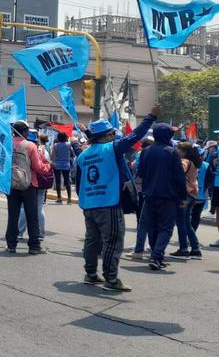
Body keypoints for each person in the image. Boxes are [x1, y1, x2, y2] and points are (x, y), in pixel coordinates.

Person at [77, 105, 157, 292]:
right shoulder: (111, 148)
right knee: (113, 240)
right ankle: (111, 279)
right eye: (112, 133)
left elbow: (79, 180)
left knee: (92, 240)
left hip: (89, 203)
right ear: (106, 135)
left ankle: (90, 274)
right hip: (108, 202)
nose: (115, 136)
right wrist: (151, 116)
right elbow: (135, 136)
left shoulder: (82, 155)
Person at [137, 123, 187, 271]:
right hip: (168, 196)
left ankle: (155, 255)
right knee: (165, 228)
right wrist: (183, 196)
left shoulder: (145, 151)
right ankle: (157, 256)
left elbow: (140, 172)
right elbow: (179, 177)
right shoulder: (172, 152)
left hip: (149, 194)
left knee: (152, 226)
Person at [5, 121, 48, 254]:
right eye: (27, 130)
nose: (28, 132)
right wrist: (48, 166)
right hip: (29, 184)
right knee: (32, 216)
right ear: (23, 131)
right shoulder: (30, 146)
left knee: (13, 216)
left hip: (11, 184)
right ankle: (34, 246)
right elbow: (37, 167)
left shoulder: (7, 144)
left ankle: (11, 245)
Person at [171, 142, 203, 259]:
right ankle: (195, 249)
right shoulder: (194, 162)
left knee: (181, 223)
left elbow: (180, 170)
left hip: (185, 194)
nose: (176, 151)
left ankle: (183, 249)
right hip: (193, 194)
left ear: (183, 152)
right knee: (186, 223)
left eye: (178, 149)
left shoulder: (184, 161)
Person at [52, 131, 75, 203]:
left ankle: (59, 198)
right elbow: (73, 154)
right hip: (66, 164)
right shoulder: (69, 145)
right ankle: (69, 199)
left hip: (57, 164)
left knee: (58, 181)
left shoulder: (55, 145)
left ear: (58, 137)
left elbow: (52, 155)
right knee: (67, 181)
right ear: (66, 137)